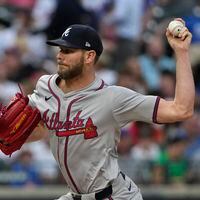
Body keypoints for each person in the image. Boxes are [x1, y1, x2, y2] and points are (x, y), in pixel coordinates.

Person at [24, 21, 193, 199]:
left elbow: (181, 110)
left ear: (89, 57)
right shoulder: (46, 87)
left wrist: (181, 53)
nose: (60, 56)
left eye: (68, 51)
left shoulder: (112, 98)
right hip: (75, 195)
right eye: (60, 49)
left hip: (113, 195)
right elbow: (40, 130)